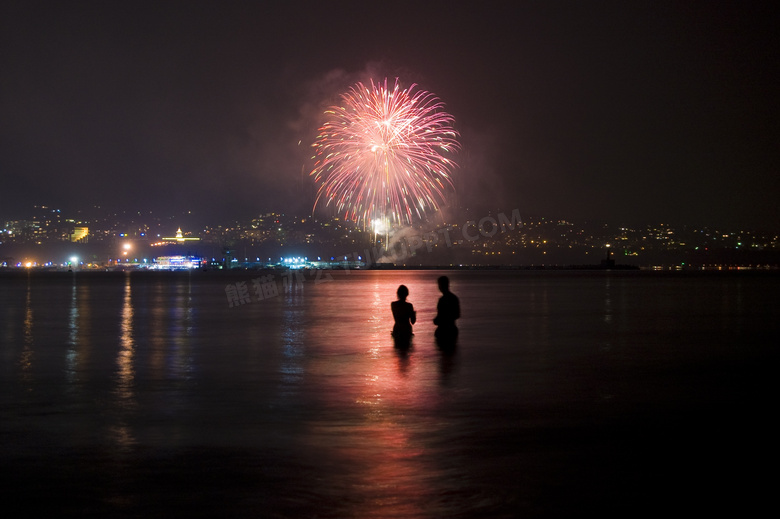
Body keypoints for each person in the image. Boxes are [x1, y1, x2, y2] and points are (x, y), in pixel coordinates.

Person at [433, 275, 460, 342]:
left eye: (439, 285)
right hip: (452, 330)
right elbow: (457, 315)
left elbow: (440, 316)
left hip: (443, 331)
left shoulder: (442, 300)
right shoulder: (454, 298)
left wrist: (437, 320)